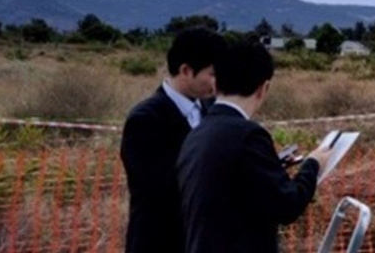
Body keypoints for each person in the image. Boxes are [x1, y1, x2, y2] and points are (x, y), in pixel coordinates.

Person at [176, 39, 332, 253]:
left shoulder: (197, 133)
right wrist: (313, 165)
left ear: (215, 83)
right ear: (263, 87)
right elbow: (286, 205)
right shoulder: (248, 135)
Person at [120, 27, 227, 253]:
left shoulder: (212, 109)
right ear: (186, 70)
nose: (218, 83)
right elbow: (158, 190)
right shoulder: (145, 120)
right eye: (213, 74)